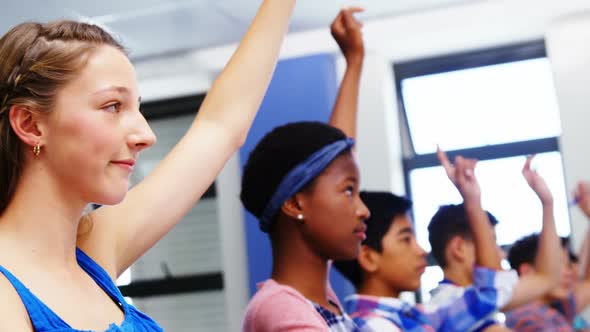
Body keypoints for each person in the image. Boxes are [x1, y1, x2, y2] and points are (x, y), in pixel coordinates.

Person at [0, 0, 296, 330]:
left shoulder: (91, 251)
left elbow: (221, 127)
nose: (146, 135)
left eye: (136, 108)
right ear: (30, 124)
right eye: (113, 106)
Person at [240, 9, 369, 331]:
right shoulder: (282, 311)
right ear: (296, 204)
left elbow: (337, 154)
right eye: (349, 191)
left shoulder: (315, 301)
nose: (364, 210)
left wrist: (353, 62)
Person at [334, 150, 518, 332]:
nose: (421, 250)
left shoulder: (413, 316)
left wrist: (472, 200)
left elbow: (490, 293)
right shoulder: (373, 325)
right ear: (369, 258)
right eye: (406, 239)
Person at [427, 154, 562, 331]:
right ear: (459, 248)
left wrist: (548, 204)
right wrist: (473, 202)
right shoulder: (452, 305)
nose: (501, 254)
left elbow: (546, 279)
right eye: (491, 242)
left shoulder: (476, 298)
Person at [504, 181, 590, 331]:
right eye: (560, 265)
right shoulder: (525, 318)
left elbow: (588, 282)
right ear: (527, 271)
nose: (571, 272)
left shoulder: (557, 310)